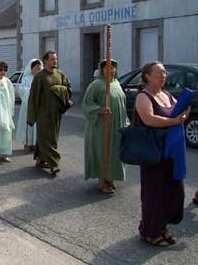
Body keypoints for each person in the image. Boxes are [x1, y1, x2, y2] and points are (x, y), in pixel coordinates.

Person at [135, 62, 188, 246]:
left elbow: (178, 111)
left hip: (170, 152)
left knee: (172, 191)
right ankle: (150, 232)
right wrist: (174, 121)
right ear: (148, 76)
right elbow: (149, 119)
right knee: (153, 194)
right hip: (153, 153)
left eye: (165, 73)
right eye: (160, 73)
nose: (164, 76)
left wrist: (184, 110)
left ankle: (162, 227)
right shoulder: (143, 96)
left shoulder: (166, 94)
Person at [82, 59, 129, 194]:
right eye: (107, 67)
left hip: (116, 125)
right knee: (102, 152)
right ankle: (102, 182)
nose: (110, 70)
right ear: (102, 70)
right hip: (101, 126)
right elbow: (87, 104)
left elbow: (122, 105)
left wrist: (126, 122)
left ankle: (110, 178)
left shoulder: (117, 84)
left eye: (113, 67)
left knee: (114, 153)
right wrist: (98, 110)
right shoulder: (96, 85)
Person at [27, 51, 72, 176]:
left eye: (56, 59)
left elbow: (68, 88)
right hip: (43, 113)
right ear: (45, 61)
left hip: (56, 113)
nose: (55, 61)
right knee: (47, 139)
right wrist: (32, 116)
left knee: (51, 137)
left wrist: (60, 90)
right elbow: (33, 97)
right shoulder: (40, 77)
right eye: (52, 59)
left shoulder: (60, 74)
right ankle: (53, 164)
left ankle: (41, 159)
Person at [16, 59, 43, 151]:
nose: (38, 70)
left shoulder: (42, 78)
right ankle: (28, 143)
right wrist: (31, 92)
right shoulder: (26, 78)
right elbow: (22, 90)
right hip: (28, 106)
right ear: (31, 68)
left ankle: (36, 144)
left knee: (37, 126)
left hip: (39, 106)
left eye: (39, 68)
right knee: (28, 125)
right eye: (36, 68)